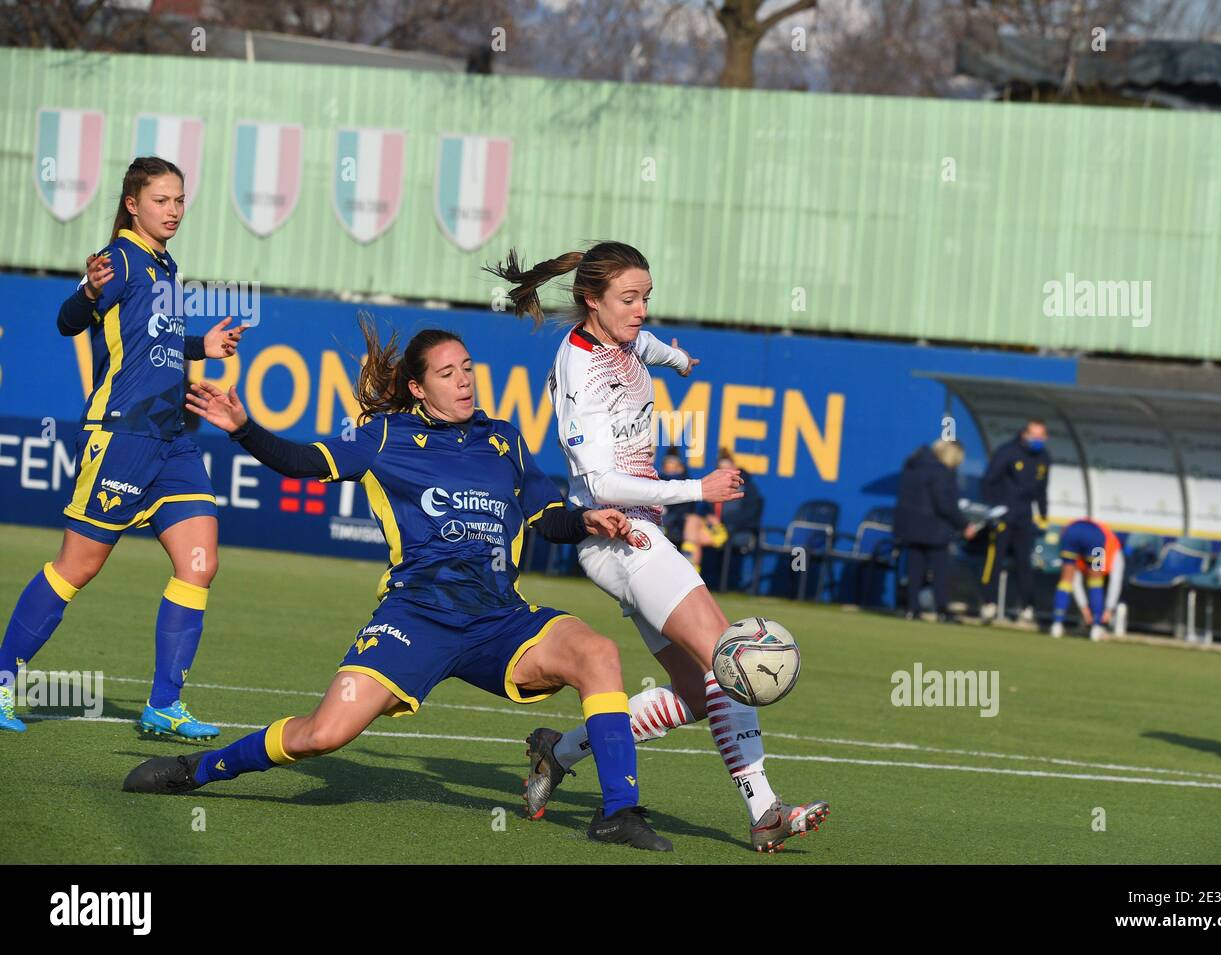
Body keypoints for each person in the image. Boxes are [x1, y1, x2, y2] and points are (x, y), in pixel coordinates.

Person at [122, 319, 673, 851]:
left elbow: (548, 516)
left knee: (597, 652)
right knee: (323, 735)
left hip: (499, 619)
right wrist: (244, 428)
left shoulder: (502, 440)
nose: (463, 381)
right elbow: (302, 462)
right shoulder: (384, 436)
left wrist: (585, 520)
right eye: (447, 373)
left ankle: (618, 812)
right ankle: (197, 769)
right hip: (417, 617)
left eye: (467, 368)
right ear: (417, 387)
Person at [485, 243, 829, 853]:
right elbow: (597, 485)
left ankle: (558, 751)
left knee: (698, 694)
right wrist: (698, 487)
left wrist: (676, 358)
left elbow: (642, 346)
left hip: (640, 537)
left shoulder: (619, 339)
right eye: (629, 298)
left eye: (647, 296)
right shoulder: (579, 367)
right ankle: (765, 809)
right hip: (623, 536)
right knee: (732, 659)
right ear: (592, 300)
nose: (642, 310)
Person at [0, 157, 246, 738]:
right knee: (78, 566)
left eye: (180, 201)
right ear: (133, 203)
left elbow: (151, 335)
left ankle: (164, 704)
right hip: (123, 434)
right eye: (162, 200)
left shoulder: (165, 264)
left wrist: (199, 343)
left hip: (173, 437)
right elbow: (68, 321)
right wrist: (87, 288)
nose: (174, 211)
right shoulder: (117, 258)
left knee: (200, 562)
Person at [894, 439, 977, 622]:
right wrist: (964, 525)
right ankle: (942, 610)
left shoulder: (913, 466)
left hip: (911, 525)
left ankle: (911, 608)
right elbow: (944, 504)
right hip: (933, 528)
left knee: (914, 569)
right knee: (940, 570)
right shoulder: (942, 472)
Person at [979, 419, 1051, 624]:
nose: (1038, 441)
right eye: (1034, 436)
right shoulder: (1008, 452)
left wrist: (1044, 514)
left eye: (1041, 437)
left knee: (1024, 563)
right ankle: (989, 603)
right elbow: (988, 480)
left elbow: (1042, 489)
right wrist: (993, 508)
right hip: (1004, 514)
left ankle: (1026, 606)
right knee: (995, 559)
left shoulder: (1044, 458)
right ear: (1024, 434)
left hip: (1025, 516)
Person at [1048, 519, 1125, 641]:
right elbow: (1116, 583)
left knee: (1066, 580)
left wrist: (1084, 608)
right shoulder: (1115, 551)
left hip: (1071, 531)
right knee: (1096, 582)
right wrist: (1109, 609)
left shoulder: (1109, 549)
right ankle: (1096, 627)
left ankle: (1056, 625)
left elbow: (1074, 581)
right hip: (1094, 536)